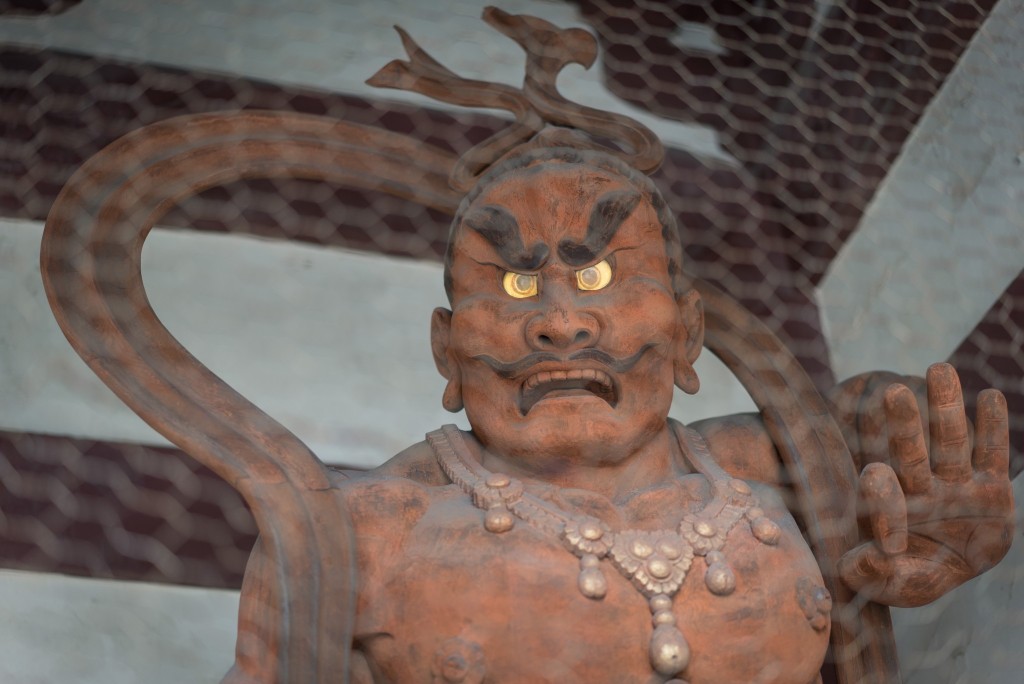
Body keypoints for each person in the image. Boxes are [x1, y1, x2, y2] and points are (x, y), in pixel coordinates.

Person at [226, 146, 1013, 684]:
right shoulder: (357, 533)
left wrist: (922, 475)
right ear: (446, 349)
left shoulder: (775, 464)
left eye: (600, 274)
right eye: (515, 284)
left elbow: (874, 416)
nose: (560, 323)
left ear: (688, 331)